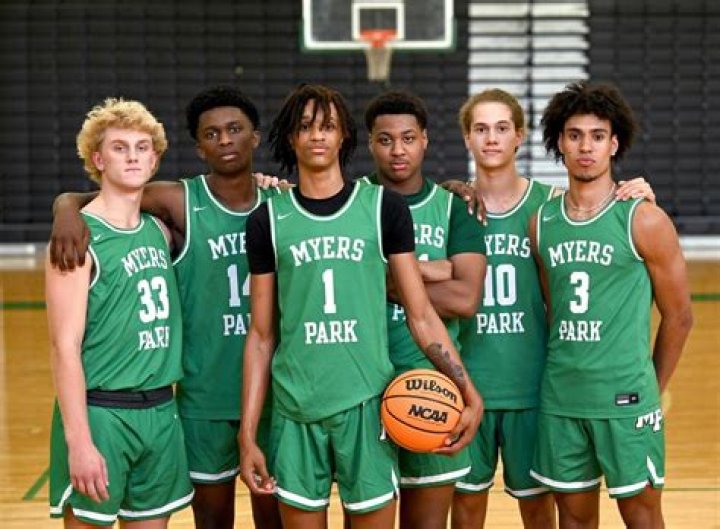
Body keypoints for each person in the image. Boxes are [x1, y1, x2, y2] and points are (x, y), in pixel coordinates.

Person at [238, 83, 484, 529]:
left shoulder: (384, 207)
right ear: (291, 137)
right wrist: (248, 433)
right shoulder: (267, 219)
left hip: (367, 406)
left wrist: (468, 391)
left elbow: (421, 315)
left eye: (328, 126)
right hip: (295, 409)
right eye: (306, 126)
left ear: (344, 136)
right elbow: (260, 335)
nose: (317, 135)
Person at [49, 86, 282, 529]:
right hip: (182, 401)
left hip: (254, 397)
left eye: (141, 148)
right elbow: (64, 345)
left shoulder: (279, 204)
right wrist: (64, 207)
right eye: (212, 133)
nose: (225, 140)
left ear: (255, 137)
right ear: (198, 147)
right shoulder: (173, 207)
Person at [448, 88, 658, 529]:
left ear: (520, 136)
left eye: (501, 128)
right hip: (468, 383)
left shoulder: (548, 208)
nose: (491, 138)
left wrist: (637, 191)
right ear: (466, 137)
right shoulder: (450, 207)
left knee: (541, 508)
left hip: (535, 388)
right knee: (464, 506)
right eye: (481, 129)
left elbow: (564, 288)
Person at [528, 81, 693, 529]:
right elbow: (554, 309)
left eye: (597, 136)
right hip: (562, 398)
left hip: (626, 397)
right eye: (575, 135)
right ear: (559, 143)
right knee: (574, 520)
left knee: (642, 518)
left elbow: (680, 316)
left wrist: (651, 387)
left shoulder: (643, 218)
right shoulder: (542, 223)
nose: (586, 147)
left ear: (614, 144)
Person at [46, 98, 194, 527]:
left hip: (161, 411)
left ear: (154, 159)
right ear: (98, 159)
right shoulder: (78, 239)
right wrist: (79, 442)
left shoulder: (160, 231)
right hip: (102, 414)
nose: (132, 156)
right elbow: (63, 347)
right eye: (119, 147)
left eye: (142, 147)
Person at [361, 90, 486, 529]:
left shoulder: (454, 208)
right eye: (385, 139)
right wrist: (434, 270)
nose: (398, 150)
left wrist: (392, 278)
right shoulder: (353, 203)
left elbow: (465, 299)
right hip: (363, 387)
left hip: (431, 387)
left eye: (408, 138)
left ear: (425, 140)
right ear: (370, 143)